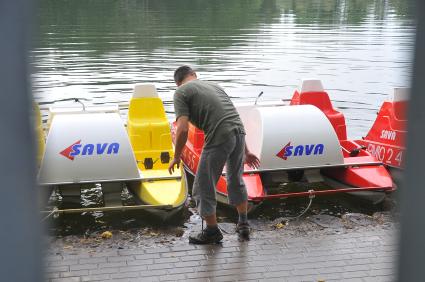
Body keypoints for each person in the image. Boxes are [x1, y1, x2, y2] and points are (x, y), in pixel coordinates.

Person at [168, 65, 260, 244]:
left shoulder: (180, 93)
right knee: (235, 180)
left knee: (202, 187)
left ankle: (212, 232)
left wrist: (177, 156)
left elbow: (183, 129)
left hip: (219, 135)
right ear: (194, 75)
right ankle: (243, 224)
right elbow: (234, 117)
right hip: (238, 133)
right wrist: (246, 151)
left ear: (177, 83)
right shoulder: (215, 86)